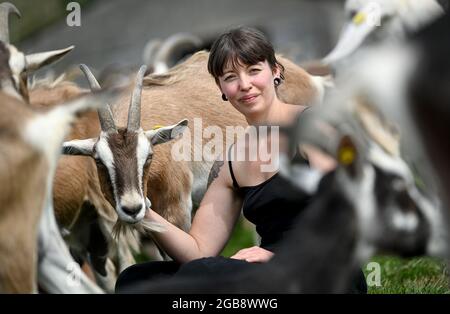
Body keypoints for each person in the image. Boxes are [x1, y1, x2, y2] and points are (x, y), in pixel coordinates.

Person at [115, 26, 367, 293]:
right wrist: (141, 209)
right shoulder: (233, 161)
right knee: (136, 279)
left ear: (276, 71)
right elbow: (197, 251)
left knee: (207, 273)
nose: (244, 84)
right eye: (231, 77)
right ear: (221, 88)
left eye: (254, 70)